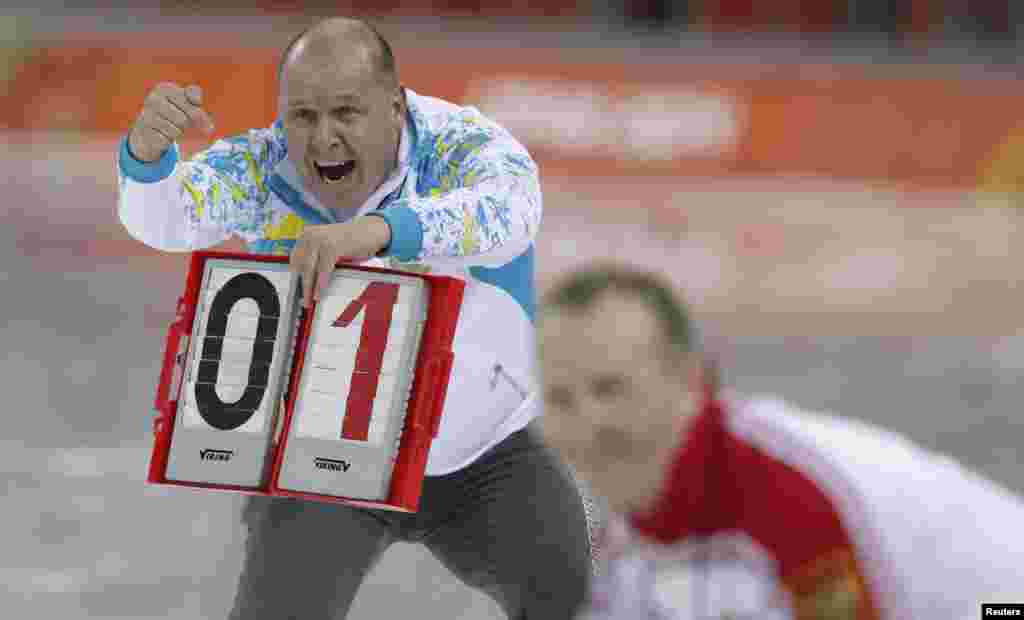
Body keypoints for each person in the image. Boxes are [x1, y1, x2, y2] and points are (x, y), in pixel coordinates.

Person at [117, 17, 596, 620]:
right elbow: (164, 221)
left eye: (347, 113)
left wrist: (377, 233)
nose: (323, 140)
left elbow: (512, 212)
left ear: (395, 107)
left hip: (488, 454)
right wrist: (145, 158)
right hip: (322, 461)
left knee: (579, 604)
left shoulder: (462, 145)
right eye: (303, 117)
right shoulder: (264, 166)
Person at [535, 263, 1024, 619]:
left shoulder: (787, 489)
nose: (589, 424)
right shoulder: (606, 526)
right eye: (560, 399)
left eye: (611, 389)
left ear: (691, 380)